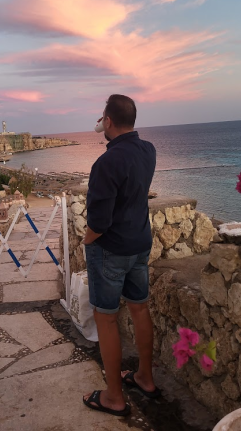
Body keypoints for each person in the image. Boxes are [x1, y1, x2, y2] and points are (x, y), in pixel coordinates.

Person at [82, 94, 159, 418]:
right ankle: (145, 378)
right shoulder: (148, 150)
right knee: (140, 309)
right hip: (140, 244)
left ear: (108, 121)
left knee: (106, 318)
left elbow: (99, 222)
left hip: (111, 250)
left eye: (103, 117)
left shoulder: (106, 163)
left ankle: (114, 397)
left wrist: (87, 241)